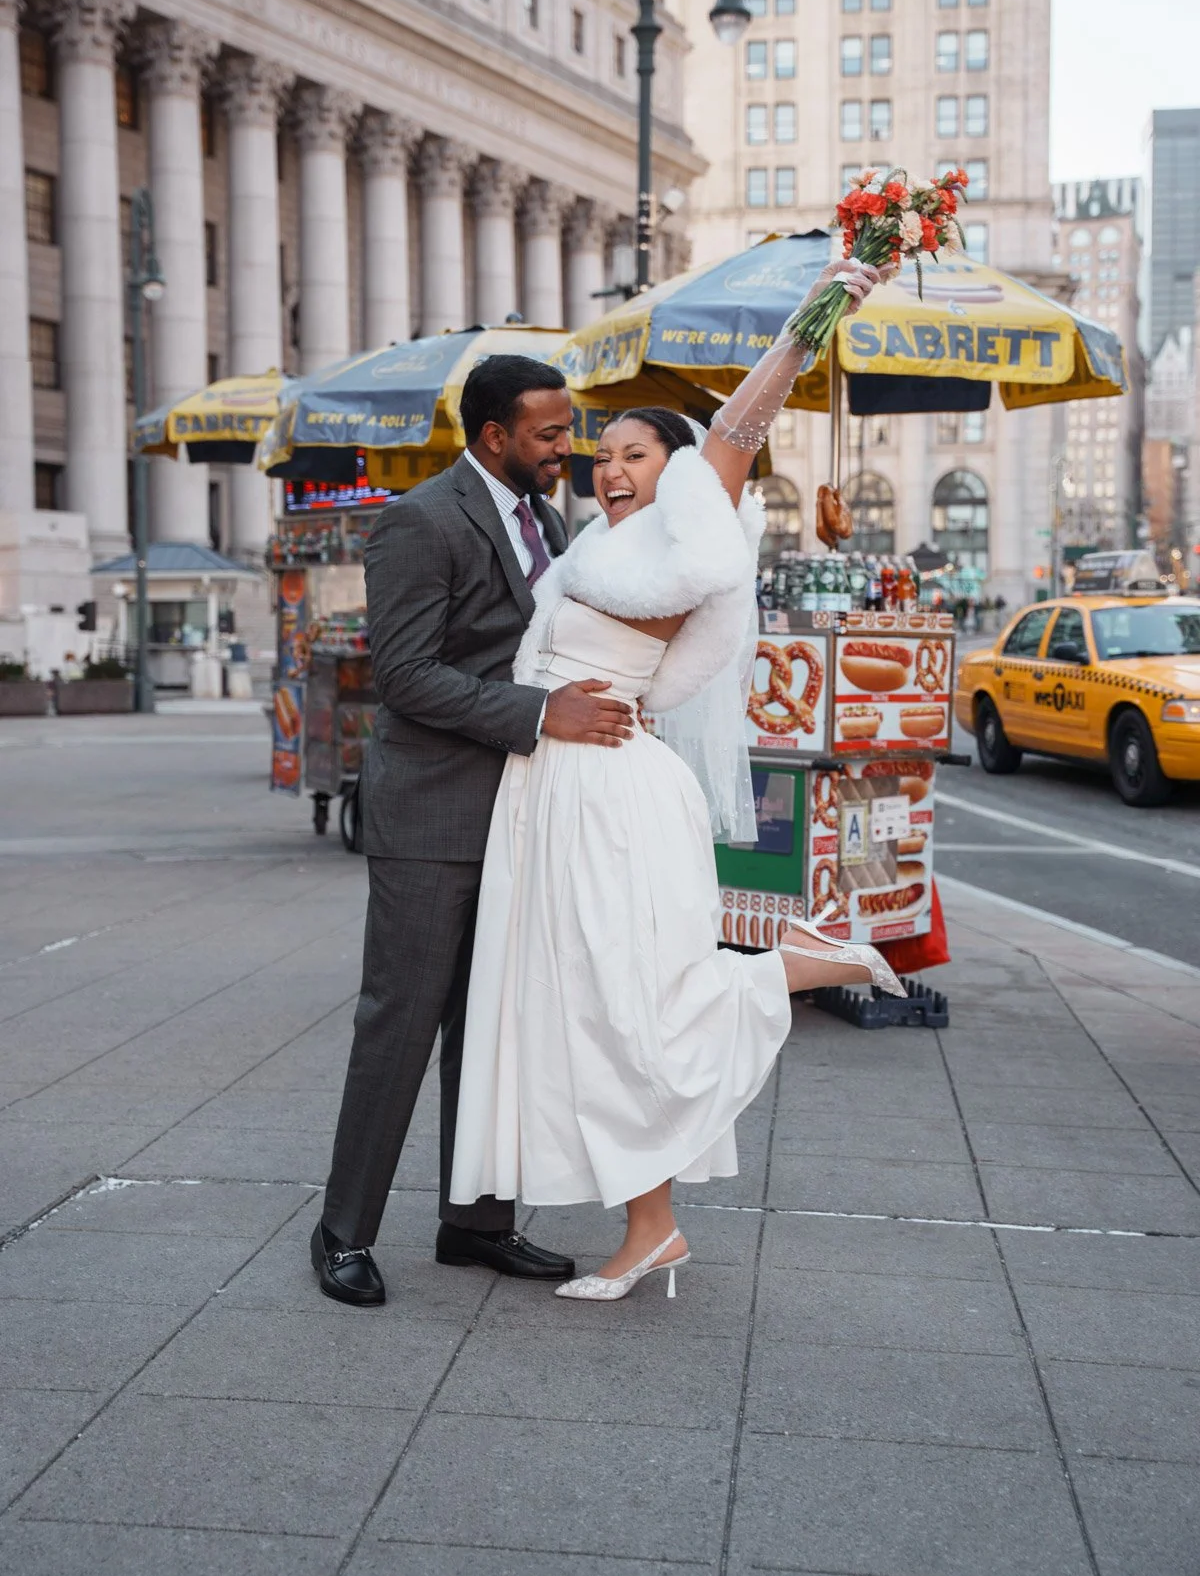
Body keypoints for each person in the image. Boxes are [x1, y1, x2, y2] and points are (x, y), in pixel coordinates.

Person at [449, 259, 907, 1302]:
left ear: (680, 469)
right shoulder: (596, 555)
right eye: (600, 455)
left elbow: (739, 430)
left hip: (609, 798)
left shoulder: (678, 537)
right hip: (555, 794)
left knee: (627, 1007)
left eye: (637, 453)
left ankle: (797, 966)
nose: (611, 469)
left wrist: (812, 318)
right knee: (588, 1017)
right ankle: (650, 1228)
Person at [312, 354, 639, 1307]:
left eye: (567, 430)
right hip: (432, 814)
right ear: (493, 436)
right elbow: (405, 675)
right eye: (549, 434)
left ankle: (476, 1225)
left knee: (498, 1026)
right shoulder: (416, 521)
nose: (565, 449)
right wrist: (544, 714)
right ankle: (342, 1230)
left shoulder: (546, 518)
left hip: (523, 813)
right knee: (401, 1025)